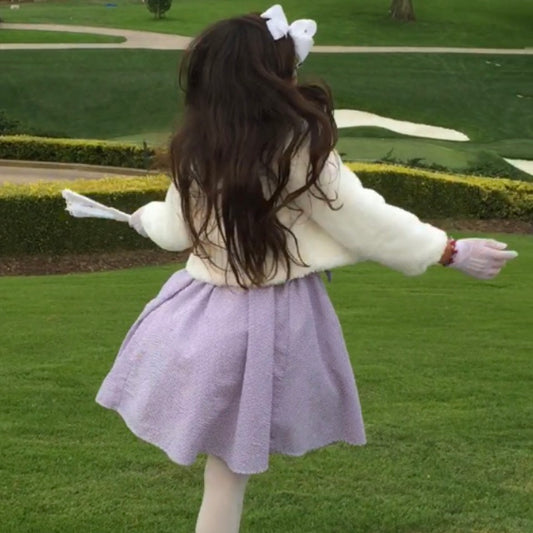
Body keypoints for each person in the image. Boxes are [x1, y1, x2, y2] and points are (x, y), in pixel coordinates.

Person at [95, 5, 518, 532]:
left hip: (202, 319)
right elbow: (363, 217)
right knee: (228, 473)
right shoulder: (296, 146)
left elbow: (175, 229)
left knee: (224, 476)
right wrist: (447, 250)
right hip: (270, 324)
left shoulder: (199, 149)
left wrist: (139, 216)